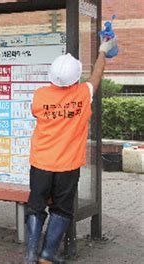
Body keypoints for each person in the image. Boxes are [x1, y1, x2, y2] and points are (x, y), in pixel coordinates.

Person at [24, 38, 117, 264]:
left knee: (36, 207)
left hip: (40, 162)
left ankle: (30, 255)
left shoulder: (40, 95)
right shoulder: (83, 94)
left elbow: (35, 114)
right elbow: (96, 76)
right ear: (75, 77)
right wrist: (103, 51)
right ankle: (47, 255)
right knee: (62, 209)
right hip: (68, 165)